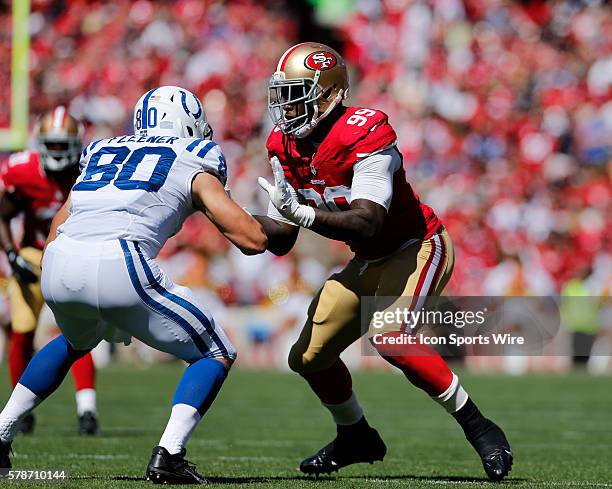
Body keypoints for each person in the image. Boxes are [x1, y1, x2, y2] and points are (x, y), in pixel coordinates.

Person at [256, 42, 513, 481]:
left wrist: (300, 212)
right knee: (307, 357)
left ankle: (479, 427)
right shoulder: (284, 145)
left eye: (298, 93)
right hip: (368, 260)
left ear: (330, 91)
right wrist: (227, 215)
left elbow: (368, 222)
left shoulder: (365, 129)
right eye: (283, 95)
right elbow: (284, 240)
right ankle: (356, 435)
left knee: (391, 336)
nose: (288, 106)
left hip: (417, 245)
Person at [0, 86, 267, 484]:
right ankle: (170, 455)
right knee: (216, 350)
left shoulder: (103, 150)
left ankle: (3, 429)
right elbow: (252, 240)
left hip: (59, 259)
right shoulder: (194, 155)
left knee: (75, 341)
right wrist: (284, 220)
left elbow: (59, 224)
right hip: (119, 258)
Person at [0, 107, 98, 435]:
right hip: (33, 252)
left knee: (77, 329)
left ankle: (87, 408)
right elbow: (2, 213)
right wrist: (12, 255)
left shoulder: (90, 169)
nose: (56, 151)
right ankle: (20, 410)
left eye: (62, 144)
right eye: (51, 144)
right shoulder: (23, 171)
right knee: (23, 327)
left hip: (73, 253)